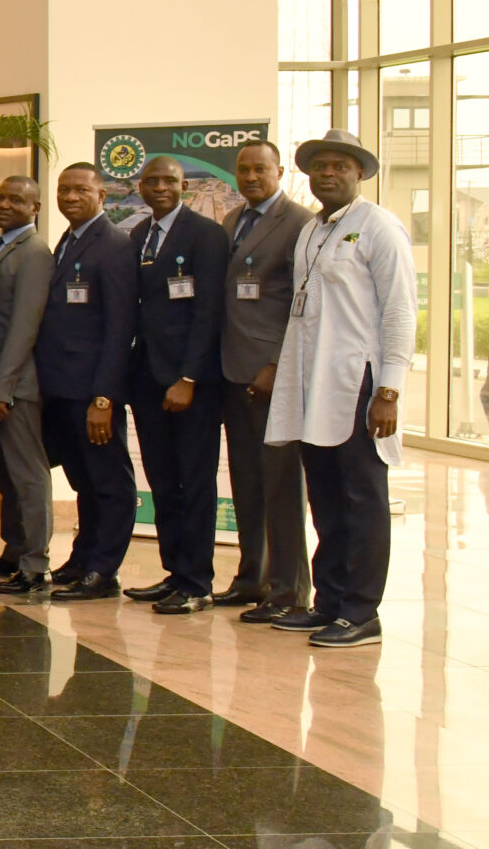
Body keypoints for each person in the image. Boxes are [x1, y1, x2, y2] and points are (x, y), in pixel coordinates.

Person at [267, 129, 415, 648]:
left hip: (360, 383)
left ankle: (361, 612)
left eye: (340, 166)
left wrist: (390, 390)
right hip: (314, 384)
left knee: (361, 498)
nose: (328, 174)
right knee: (326, 500)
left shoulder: (378, 227)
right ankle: (329, 602)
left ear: (359, 173)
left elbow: (399, 311)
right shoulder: (314, 229)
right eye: (319, 166)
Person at [126, 154, 231, 614]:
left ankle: (197, 581)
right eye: (152, 181)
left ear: (184, 186)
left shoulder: (206, 235)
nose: (161, 187)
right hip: (148, 378)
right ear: (140, 187)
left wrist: (188, 377)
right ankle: (174, 572)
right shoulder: (138, 236)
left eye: (170, 180)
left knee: (194, 479)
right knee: (163, 479)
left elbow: (209, 313)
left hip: (191, 383)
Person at [220, 139, 315, 621]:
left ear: (279, 171)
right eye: (244, 169)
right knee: (247, 483)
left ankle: (290, 589)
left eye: (261, 169)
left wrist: (277, 364)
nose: (252, 177)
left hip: (272, 374)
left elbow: (302, 305)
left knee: (281, 485)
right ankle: (251, 576)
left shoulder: (299, 224)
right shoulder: (234, 221)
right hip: (234, 372)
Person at [39, 163, 138, 602]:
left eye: (81, 189)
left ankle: (104, 569)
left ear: (102, 194)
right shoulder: (68, 239)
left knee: (108, 482)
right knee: (83, 480)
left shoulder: (114, 244)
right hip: (61, 386)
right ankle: (82, 558)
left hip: (92, 389)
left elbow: (120, 327)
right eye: (64, 189)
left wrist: (105, 396)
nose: (71, 196)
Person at [0, 175, 55, 595]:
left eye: (15, 199)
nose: (4, 205)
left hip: (14, 386)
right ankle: (15, 550)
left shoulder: (34, 253)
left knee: (28, 475)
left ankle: (35, 563)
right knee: (4, 474)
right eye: (1, 197)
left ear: (35, 207)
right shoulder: (4, 245)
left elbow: (24, 326)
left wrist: (1, 388)